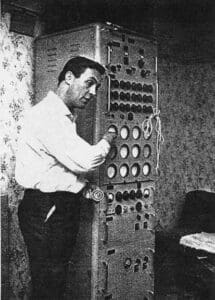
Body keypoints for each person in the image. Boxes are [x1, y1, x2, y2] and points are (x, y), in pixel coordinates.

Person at [15, 56, 116, 300]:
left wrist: (90, 191)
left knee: (55, 280)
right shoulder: (49, 116)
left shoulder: (63, 116)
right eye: (89, 83)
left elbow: (58, 171)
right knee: (49, 282)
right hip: (47, 209)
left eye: (97, 87)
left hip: (57, 206)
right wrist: (110, 136)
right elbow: (86, 160)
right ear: (69, 77)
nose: (92, 92)